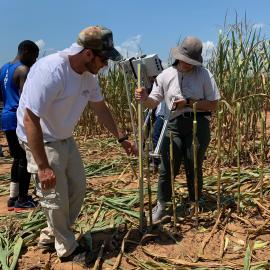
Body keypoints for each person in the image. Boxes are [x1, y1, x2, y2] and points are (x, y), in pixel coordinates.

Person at [16, 25, 136, 266]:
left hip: (64, 136)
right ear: (88, 53)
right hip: (41, 137)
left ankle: (52, 234)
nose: (106, 65)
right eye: (103, 59)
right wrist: (43, 166)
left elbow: (100, 108)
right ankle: (67, 248)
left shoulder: (89, 77)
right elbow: (31, 119)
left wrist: (121, 138)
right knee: (54, 195)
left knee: (78, 187)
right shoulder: (52, 71)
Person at [135, 36, 220, 222]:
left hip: (198, 125)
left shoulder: (204, 74)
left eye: (192, 62)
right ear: (179, 56)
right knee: (167, 166)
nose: (188, 64)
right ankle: (162, 203)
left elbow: (213, 104)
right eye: (185, 60)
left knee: (193, 162)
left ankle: (195, 201)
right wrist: (143, 97)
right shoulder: (165, 75)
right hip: (172, 124)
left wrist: (189, 103)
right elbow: (153, 103)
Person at [0, 40, 39, 211]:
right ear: (25, 51)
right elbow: (26, 99)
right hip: (18, 117)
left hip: (6, 116)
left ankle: (13, 197)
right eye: (34, 56)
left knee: (17, 158)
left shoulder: (3, 69)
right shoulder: (23, 69)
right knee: (25, 158)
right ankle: (23, 200)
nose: (35, 61)